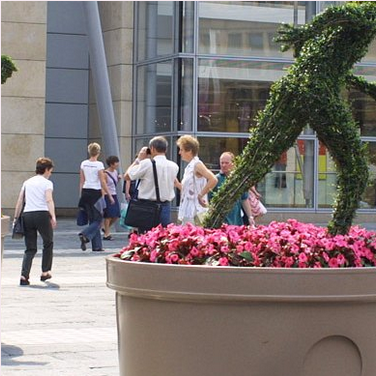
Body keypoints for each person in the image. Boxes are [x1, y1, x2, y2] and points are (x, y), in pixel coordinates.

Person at [13, 157, 57, 286]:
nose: (50, 174)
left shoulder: (27, 182)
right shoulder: (47, 183)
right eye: (50, 171)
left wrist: (16, 218)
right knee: (48, 242)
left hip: (27, 215)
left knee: (30, 248)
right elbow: (49, 200)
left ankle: (24, 275)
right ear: (47, 170)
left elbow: (20, 200)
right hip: (42, 214)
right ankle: (45, 272)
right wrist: (53, 216)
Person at [125, 136, 179, 233]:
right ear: (165, 149)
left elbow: (127, 176)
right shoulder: (174, 166)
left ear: (152, 148)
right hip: (165, 207)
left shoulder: (146, 163)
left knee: (145, 240)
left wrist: (138, 159)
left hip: (147, 207)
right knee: (162, 239)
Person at [78, 143, 114, 252]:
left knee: (92, 219)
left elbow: (82, 181)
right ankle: (85, 234)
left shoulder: (83, 164)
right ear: (98, 152)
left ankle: (97, 246)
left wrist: (80, 195)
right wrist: (110, 195)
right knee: (98, 220)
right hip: (95, 193)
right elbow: (102, 181)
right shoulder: (99, 165)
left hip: (85, 192)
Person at [176, 135, 218, 225]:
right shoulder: (190, 166)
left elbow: (213, 179)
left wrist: (201, 195)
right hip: (189, 210)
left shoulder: (197, 164)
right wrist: (176, 184)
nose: (179, 152)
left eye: (181, 150)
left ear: (189, 151)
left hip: (196, 211)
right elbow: (187, 191)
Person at [209, 152, 254, 226]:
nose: (223, 165)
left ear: (233, 163)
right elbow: (210, 200)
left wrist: (250, 216)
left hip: (236, 220)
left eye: (226, 163)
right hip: (221, 221)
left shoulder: (239, 180)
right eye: (222, 163)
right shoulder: (215, 179)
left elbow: (244, 199)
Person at [103, 155, 121, 240]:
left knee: (116, 215)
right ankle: (107, 233)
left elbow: (114, 184)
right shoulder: (105, 173)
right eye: (116, 162)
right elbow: (104, 186)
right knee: (108, 215)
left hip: (114, 194)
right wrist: (108, 196)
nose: (117, 164)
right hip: (107, 195)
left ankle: (106, 228)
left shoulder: (115, 172)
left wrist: (119, 179)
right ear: (111, 164)